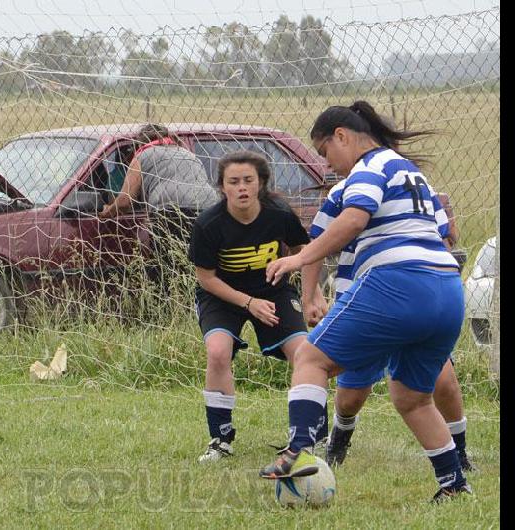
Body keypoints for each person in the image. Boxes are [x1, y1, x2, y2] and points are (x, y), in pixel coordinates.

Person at [258, 101, 471, 503]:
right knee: (412, 398)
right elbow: (443, 234)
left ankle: (298, 451)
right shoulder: (412, 174)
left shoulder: (368, 169)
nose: (328, 165)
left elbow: (354, 220)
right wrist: (311, 291)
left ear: (342, 135)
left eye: (325, 153)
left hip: (396, 284)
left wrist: (299, 258)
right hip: (446, 290)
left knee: (309, 358)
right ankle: (454, 484)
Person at [301, 179, 477, 472]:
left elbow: (447, 236)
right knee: (350, 399)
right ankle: (338, 441)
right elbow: (316, 243)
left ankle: (458, 455)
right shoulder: (345, 191)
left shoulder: (417, 186)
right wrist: (310, 296)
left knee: (443, 381)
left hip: (413, 297)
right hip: (363, 302)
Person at [187, 150, 324, 463]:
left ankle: (311, 437)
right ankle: (221, 439)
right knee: (218, 352)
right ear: (222, 187)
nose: (241, 187)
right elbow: (206, 279)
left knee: (304, 352)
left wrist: (311, 294)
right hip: (222, 296)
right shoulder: (209, 224)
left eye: (248, 180)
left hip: (273, 292)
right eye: (233, 181)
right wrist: (249, 303)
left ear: (261, 183)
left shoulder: (279, 214)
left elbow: (305, 252)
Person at [98, 123, 218, 218]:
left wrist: (108, 212)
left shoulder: (143, 155)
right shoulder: (189, 154)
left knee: (167, 248)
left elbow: (124, 202)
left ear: (140, 143)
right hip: (209, 207)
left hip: (170, 209)